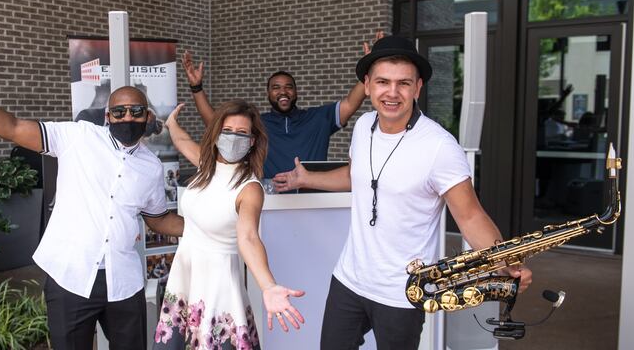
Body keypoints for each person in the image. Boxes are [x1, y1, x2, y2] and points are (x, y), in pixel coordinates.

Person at [0, 43, 184, 350]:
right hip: (71, 276)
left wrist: (208, 226)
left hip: (123, 282)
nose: (127, 118)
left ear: (147, 115)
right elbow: (13, 128)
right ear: (107, 117)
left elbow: (159, 218)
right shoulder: (77, 136)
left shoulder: (151, 167)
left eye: (135, 111)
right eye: (118, 112)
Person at [272, 35, 533, 350]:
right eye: (383, 81)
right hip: (349, 280)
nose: (392, 93)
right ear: (367, 85)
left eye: (403, 83)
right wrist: (308, 178)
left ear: (418, 87)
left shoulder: (439, 146)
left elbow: (470, 215)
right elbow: (357, 176)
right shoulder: (363, 125)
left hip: (404, 291)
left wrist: (502, 260)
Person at [154, 100, 305, 349]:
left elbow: (248, 237)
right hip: (187, 273)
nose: (233, 138)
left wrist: (268, 285)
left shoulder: (250, 188)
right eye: (227, 131)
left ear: (253, 141)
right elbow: (181, 141)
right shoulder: (206, 165)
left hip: (218, 283)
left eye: (242, 133)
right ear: (215, 135)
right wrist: (171, 124)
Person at [182, 34, 380, 178]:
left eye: (288, 87)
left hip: (313, 200)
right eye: (276, 88)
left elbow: (350, 103)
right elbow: (214, 122)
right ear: (268, 94)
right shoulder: (258, 123)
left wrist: (372, 68)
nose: (282, 92)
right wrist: (196, 87)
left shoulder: (318, 118)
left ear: (296, 92)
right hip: (270, 201)